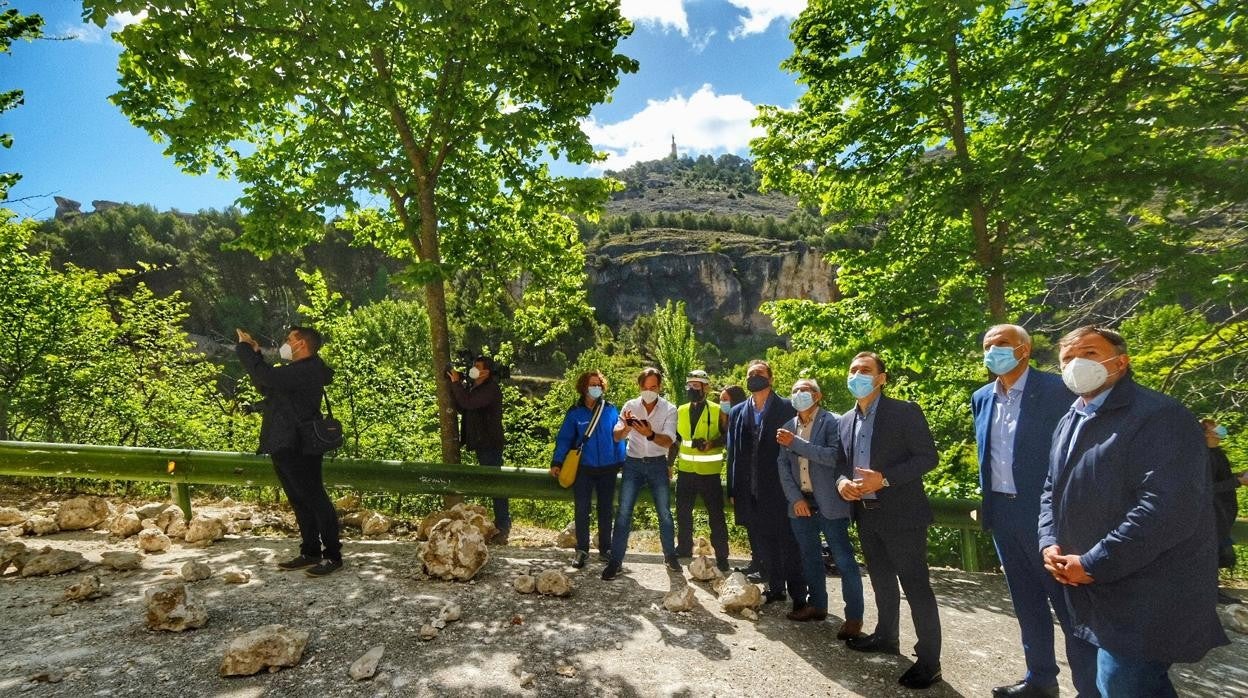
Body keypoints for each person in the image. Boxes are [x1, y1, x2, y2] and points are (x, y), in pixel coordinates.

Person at [1039, 326, 1229, 697]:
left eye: (1090, 353)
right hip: (1089, 586)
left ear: (1121, 362)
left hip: (1146, 589)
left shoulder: (1160, 416)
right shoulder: (1071, 418)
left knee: (1125, 684)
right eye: (1067, 358)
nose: (1077, 363)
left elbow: (1165, 509)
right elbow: (1051, 488)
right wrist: (1049, 542)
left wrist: (1094, 562)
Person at [972, 325, 1091, 698]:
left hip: (1048, 514)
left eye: (1002, 344)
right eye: (988, 346)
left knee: (1070, 609)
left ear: (1024, 350)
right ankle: (1040, 678)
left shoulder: (1059, 391)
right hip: (1003, 515)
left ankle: (1090, 688)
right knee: (1026, 602)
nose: (993, 351)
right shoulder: (981, 398)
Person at [836, 351, 943, 690]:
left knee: (916, 588)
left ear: (881, 377)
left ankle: (929, 661)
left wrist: (883, 479)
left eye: (865, 370)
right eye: (853, 370)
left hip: (903, 516)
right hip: (866, 516)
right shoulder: (844, 421)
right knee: (881, 582)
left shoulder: (904, 412)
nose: (857, 375)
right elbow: (841, 463)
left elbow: (928, 457)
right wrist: (842, 484)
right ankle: (886, 636)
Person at [236, 326, 342, 577]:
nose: (285, 344)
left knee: (315, 497)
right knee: (298, 498)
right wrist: (256, 356)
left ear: (302, 344)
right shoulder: (296, 371)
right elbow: (266, 386)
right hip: (283, 443)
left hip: (299, 444)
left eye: (289, 339)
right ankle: (310, 551)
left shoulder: (309, 369)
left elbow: (268, 378)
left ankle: (333, 555)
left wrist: (245, 349)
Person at [776, 378, 865, 638]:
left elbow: (833, 457)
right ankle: (817, 605)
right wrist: (796, 499)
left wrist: (796, 443)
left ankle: (854, 618)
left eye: (805, 390)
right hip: (801, 502)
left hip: (830, 502)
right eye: (794, 391)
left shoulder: (833, 422)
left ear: (818, 395)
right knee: (809, 557)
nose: (799, 394)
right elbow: (782, 466)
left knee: (844, 560)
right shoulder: (788, 426)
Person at [725, 360, 805, 610]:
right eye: (750, 374)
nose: (754, 378)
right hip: (749, 487)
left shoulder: (787, 408)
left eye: (759, 374)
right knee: (762, 540)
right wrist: (733, 488)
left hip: (780, 487)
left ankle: (798, 595)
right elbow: (733, 453)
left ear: (771, 379)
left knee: (786, 541)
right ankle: (774, 587)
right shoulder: (738, 411)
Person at [603, 367, 680, 580]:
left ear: (660, 387)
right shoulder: (630, 406)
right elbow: (617, 436)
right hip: (633, 464)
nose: (649, 391)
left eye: (653, 387)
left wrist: (650, 434)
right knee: (624, 512)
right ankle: (615, 561)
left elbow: (669, 440)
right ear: (639, 387)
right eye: (645, 388)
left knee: (664, 513)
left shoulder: (669, 409)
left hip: (657, 464)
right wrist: (627, 427)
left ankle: (670, 556)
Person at [551, 370, 626, 568]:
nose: (596, 388)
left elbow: (618, 439)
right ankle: (582, 550)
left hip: (608, 468)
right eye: (593, 384)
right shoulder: (574, 413)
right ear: (584, 387)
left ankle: (605, 549)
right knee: (582, 509)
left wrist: (622, 461)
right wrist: (557, 462)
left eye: (599, 385)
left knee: (606, 510)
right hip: (584, 468)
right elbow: (565, 439)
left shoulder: (610, 410)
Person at [448, 355, 509, 544]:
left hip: (490, 443)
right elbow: (462, 406)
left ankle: (503, 525)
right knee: (491, 482)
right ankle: (500, 524)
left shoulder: (490, 389)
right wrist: (455, 383)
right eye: (473, 365)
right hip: (482, 442)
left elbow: (468, 402)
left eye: (477, 366)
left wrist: (457, 384)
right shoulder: (476, 387)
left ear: (486, 372)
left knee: (496, 483)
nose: (473, 368)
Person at [673, 370, 730, 571]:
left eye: (696, 385)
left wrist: (712, 443)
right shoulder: (680, 410)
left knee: (716, 516)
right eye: (689, 385)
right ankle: (684, 548)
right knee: (683, 513)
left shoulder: (718, 410)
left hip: (709, 473)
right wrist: (669, 464)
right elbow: (677, 439)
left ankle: (722, 556)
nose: (692, 389)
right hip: (686, 471)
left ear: (706, 387)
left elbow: (728, 436)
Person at [1203, 418, 1242, 596]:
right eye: (1215, 427)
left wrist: (1237, 477)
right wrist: (1238, 481)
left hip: (1221, 516)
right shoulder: (1203, 457)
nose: (1220, 429)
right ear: (1207, 433)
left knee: (1217, 555)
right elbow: (1205, 489)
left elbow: (1220, 480)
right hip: (1210, 516)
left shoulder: (1217, 453)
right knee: (1209, 557)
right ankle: (1211, 595)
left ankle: (1214, 592)